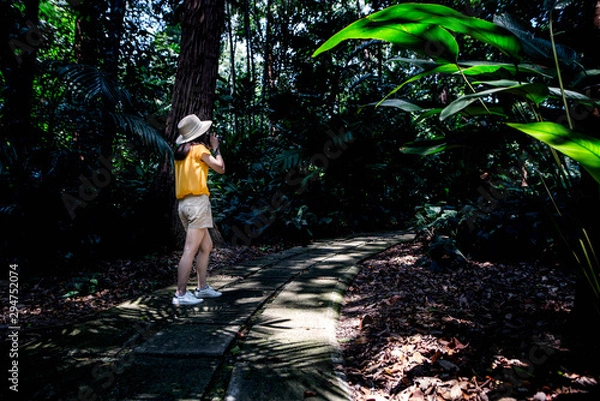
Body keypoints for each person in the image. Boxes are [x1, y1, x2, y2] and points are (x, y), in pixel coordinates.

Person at [172, 114, 226, 305]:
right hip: (197, 204)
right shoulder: (199, 149)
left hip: (184, 205)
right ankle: (180, 294)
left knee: (206, 246)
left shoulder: (181, 152)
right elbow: (220, 168)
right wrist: (216, 148)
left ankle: (202, 287)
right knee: (190, 249)